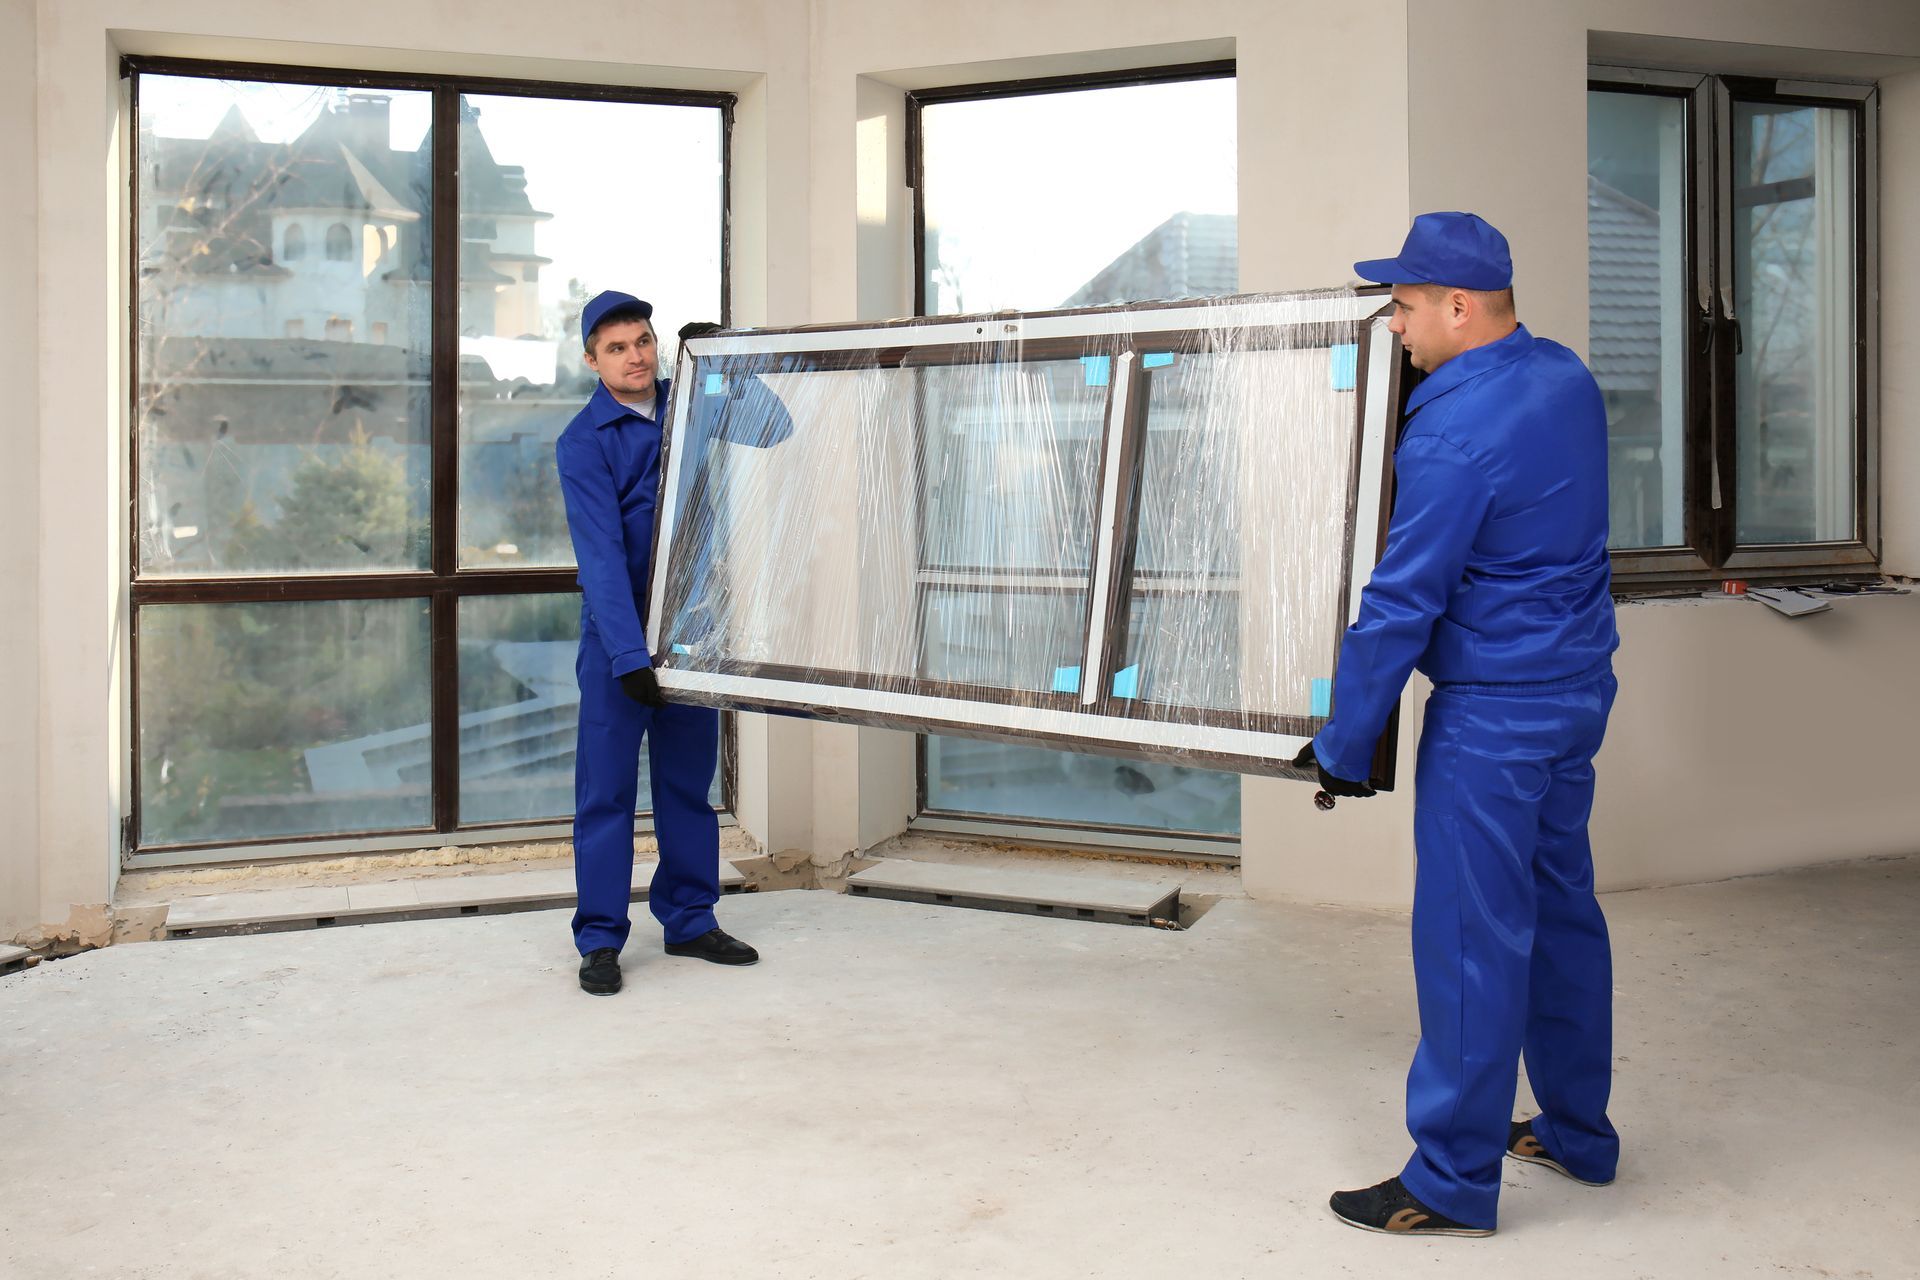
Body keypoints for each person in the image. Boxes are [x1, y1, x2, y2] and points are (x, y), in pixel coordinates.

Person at [1292, 213, 1621, 1237]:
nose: (1393, 323)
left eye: (1402, 303)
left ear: (1458, 306)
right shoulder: (1566, 378)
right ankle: (1577, 1129)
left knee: (1474, 939)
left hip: (1495, 719)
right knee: (1562, 909)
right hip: (1575, 693)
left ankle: (1448, 1176)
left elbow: (1401, 601)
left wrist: (1345, 741)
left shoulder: (1453, 430)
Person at [557, 291, 759, 996]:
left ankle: (690, 920)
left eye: (643, 341)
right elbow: (601, 559)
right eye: (617, 347)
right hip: (620, 640)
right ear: (592, 360)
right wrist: (627, 657)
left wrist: (729, 365)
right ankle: (601, 940)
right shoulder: (583, 442)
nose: (636, 356)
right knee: (606, 794)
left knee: (685, 787)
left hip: (692, 631)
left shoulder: (694, 399)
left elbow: (773, 428)